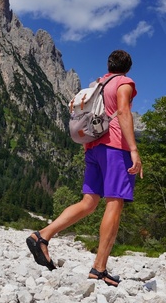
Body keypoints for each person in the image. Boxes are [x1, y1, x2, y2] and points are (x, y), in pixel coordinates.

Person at [26, 49, 143, 287]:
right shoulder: (124, 83)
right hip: (115, 148)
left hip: (92, 147)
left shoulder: (99, 84)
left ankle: (42, 236)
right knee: (115, 201)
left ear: (109, 65)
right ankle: (99, 269)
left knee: (88, 202)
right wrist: (133, 149)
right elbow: (122, 112)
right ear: (127, 67)